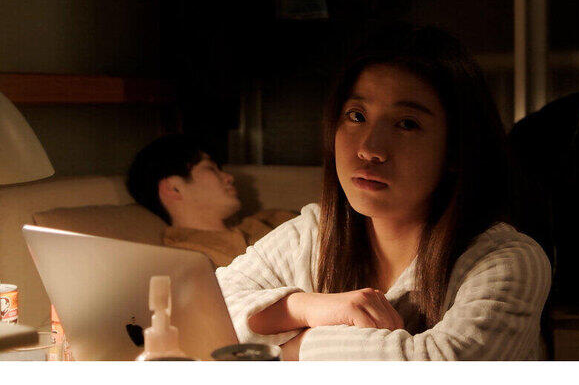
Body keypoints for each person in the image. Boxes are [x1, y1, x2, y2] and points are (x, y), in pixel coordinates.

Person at [215, 25, 551, 360]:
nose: (369, 148)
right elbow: (211, 306)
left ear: (456, 149)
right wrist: (307, 307)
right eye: (356, 116)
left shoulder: (509, 260)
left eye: (407, 124)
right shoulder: (313, 234)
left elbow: (439, 363)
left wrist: (292, 350)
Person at [126, 134, 297, 268]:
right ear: (173, 188)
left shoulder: (270, 219)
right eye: (211, 168)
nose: (229, 177)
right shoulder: (186, 257)